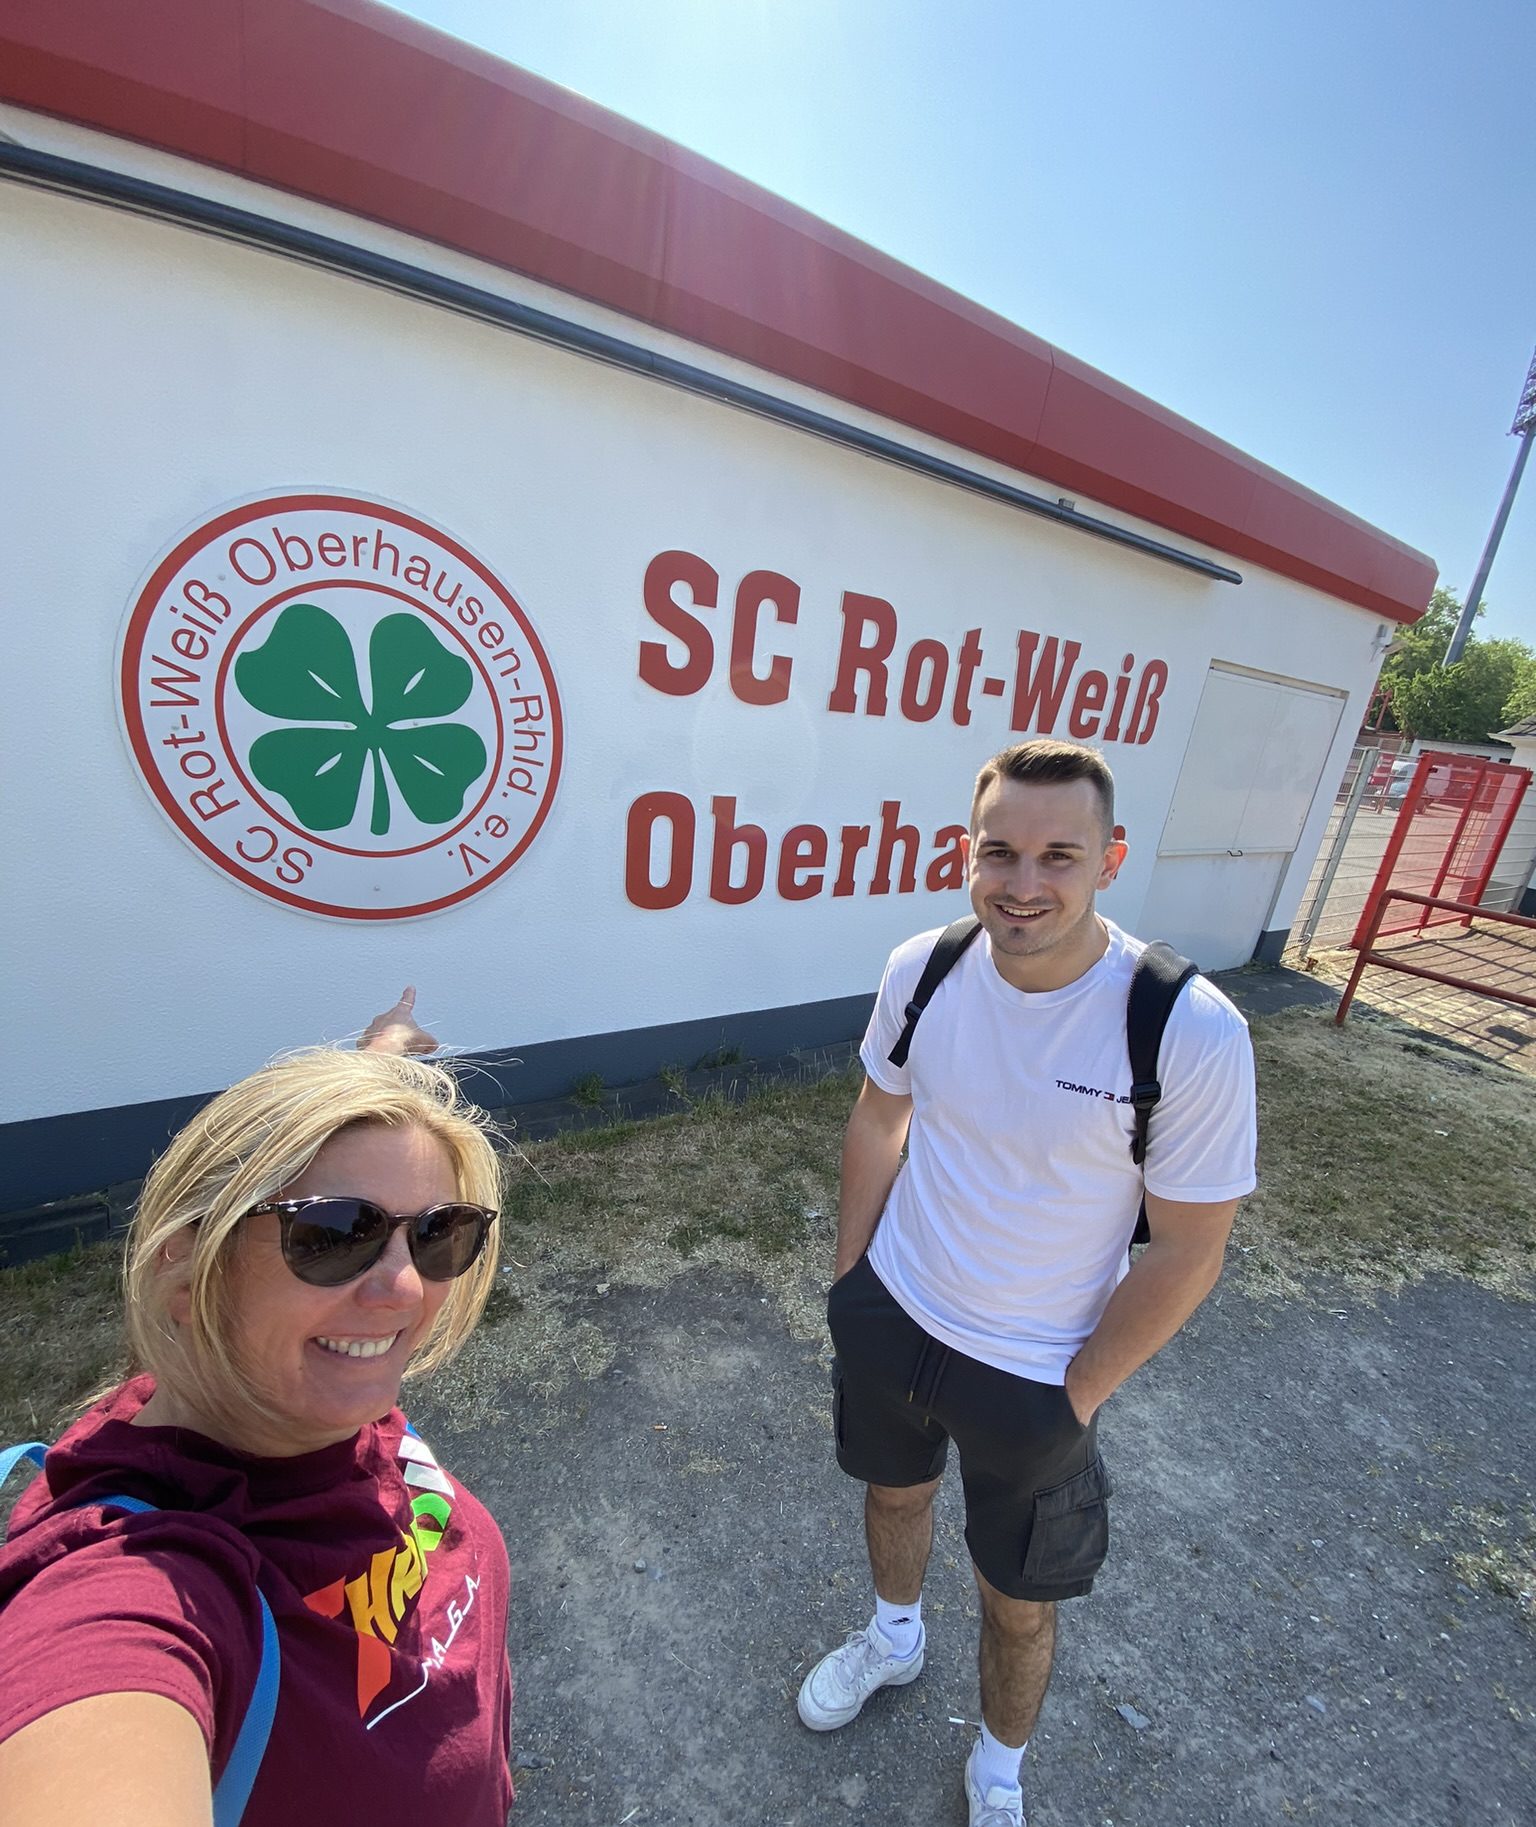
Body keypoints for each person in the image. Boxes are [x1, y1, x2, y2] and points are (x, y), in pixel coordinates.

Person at [796, 739, 1257, 1827]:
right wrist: (850, 1276)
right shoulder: (926, 966)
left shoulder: (1185, 1028)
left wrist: (1077, 1395)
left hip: (1037, 1372)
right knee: (893, 1493)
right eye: (1000, 852)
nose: (1025, 883)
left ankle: (999, 1768)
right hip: (893, 1313)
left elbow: (1190, 1250)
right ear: (969, 852)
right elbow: (879, 1114)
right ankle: (893, 1639)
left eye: (1060, 854)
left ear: (1112, 857)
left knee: (1018, 1605)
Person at [0, 1030, 513, 1825]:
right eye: (337, 1234)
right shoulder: (144, 1589)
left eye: (439, 1231)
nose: (405, 1284)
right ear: (189, 1270)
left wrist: (379, 1059)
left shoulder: (311, 1404)